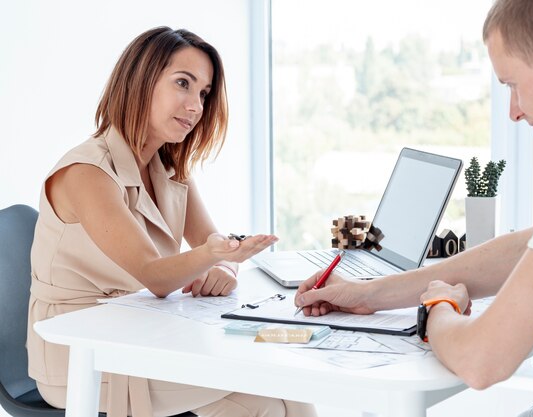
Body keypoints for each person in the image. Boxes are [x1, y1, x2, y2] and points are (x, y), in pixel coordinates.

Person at [295, 0, 533, 415]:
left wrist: (438, 309)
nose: (514, 112)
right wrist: (371, 295)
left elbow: (482, 360)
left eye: (513, 85)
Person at [26, 26, 317, 417]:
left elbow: (211, 240)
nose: (196, 105)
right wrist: (214, 254)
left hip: (142, 332)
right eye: (183, 83)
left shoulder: (169, 167)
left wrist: (225, 265)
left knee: (286, 384)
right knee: (262, 398)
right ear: (140, 81)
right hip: (80, 355)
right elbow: (156, 274)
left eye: (203, 93)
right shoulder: (87, 173)